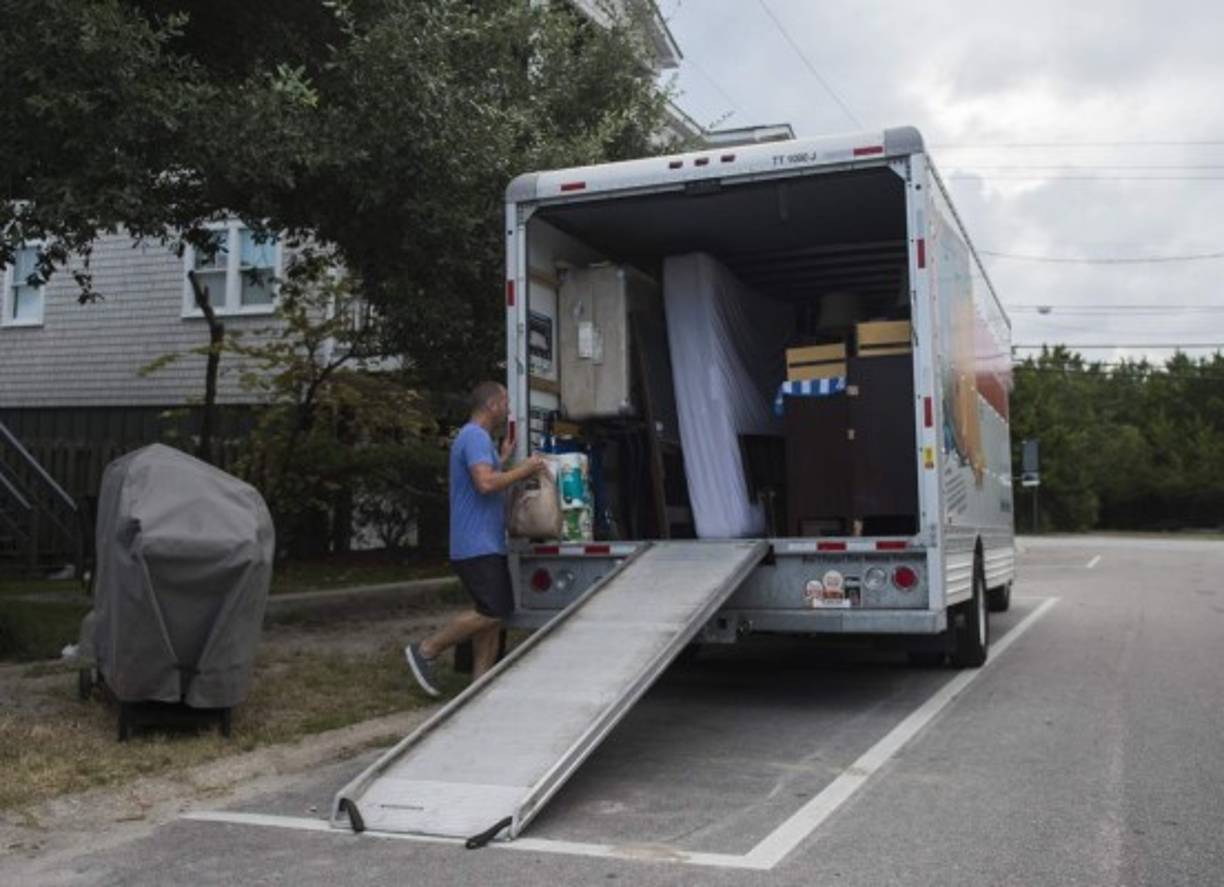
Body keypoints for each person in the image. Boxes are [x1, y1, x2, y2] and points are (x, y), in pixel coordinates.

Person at [405, 381, 546, 697]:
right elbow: (485, 484)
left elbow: (487, 478)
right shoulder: (474, 436)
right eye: (506, 402)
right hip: (475, 544)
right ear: (492, 405)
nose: (509, 408)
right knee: (494, 610)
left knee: (494, 617)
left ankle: (479, 686)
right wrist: (524, 469)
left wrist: (504, 459)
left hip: (485, 543)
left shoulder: (477, 439)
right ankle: (426, 650)